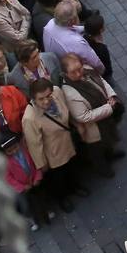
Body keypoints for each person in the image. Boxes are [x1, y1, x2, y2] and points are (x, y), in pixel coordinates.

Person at [20, 79, 83, 213]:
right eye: (41, 99)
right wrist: (42, 164)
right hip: (54, 153)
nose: (46, 101)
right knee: (58, 179)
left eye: (49, 96)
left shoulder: (58, 92)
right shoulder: (30, 118)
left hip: (68, 143)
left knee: (72, 167)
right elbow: (34, 145)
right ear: (33, 99)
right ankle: (63, 198)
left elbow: (67, 112)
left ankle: (75, 187)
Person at [59, 53, 120, 177]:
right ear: (66, 74)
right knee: (97, 151)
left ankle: (111, 154)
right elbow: (83, 116)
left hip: (105, 119)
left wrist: (111, 95)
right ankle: (103, 169)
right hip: (93, 129)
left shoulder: (88, 70)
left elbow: (102, 82)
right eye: (73, 72)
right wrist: (108, 107)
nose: (78, 74)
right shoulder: (69, 92)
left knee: (108, 140)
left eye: (79, 68)